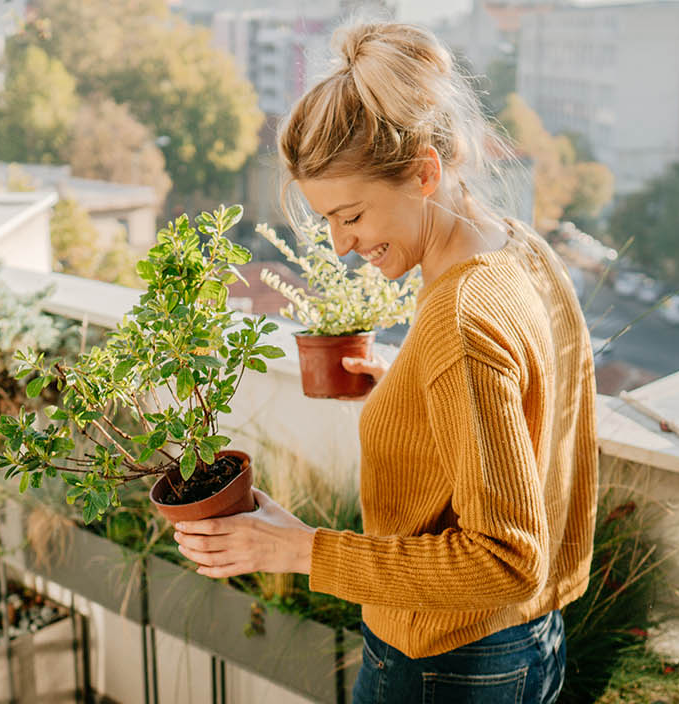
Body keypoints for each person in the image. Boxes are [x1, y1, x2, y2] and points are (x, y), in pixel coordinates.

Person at [170, 21, 599, 704]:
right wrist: (402, 386)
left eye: (352, 216)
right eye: (328, 223)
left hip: (449, 663)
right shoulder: (519, 249)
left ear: (426, 172)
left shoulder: (460, 321)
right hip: (530, 641)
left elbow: (507, 559)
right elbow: (529, 409)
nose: (341, 245)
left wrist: (298, 551)